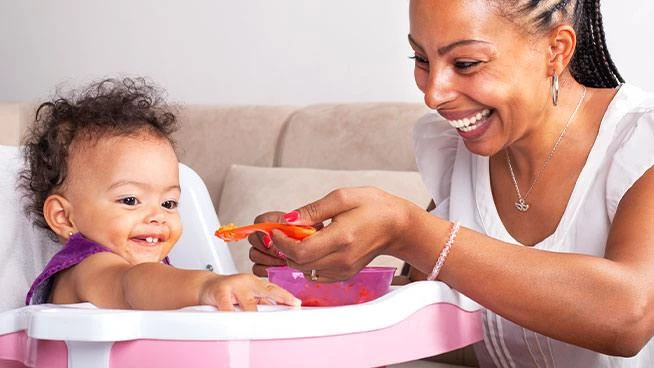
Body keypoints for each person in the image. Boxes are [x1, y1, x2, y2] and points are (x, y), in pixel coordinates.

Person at [248, 0, 654, 366]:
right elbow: (439, 323)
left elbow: (628, 315)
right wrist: (316, 271)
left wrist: (408, 231)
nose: (433, 94)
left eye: (465, 64)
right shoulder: (459, 152)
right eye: (420, 58)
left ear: (556, 49)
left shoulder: (641, 140)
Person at [20, 77, 300, 311]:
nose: (157, 216)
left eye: (169, 203)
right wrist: (206, 286)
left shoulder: (152, 268)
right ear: (64, 217)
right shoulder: (87, 269)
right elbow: (130, 285)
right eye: (130, 200)